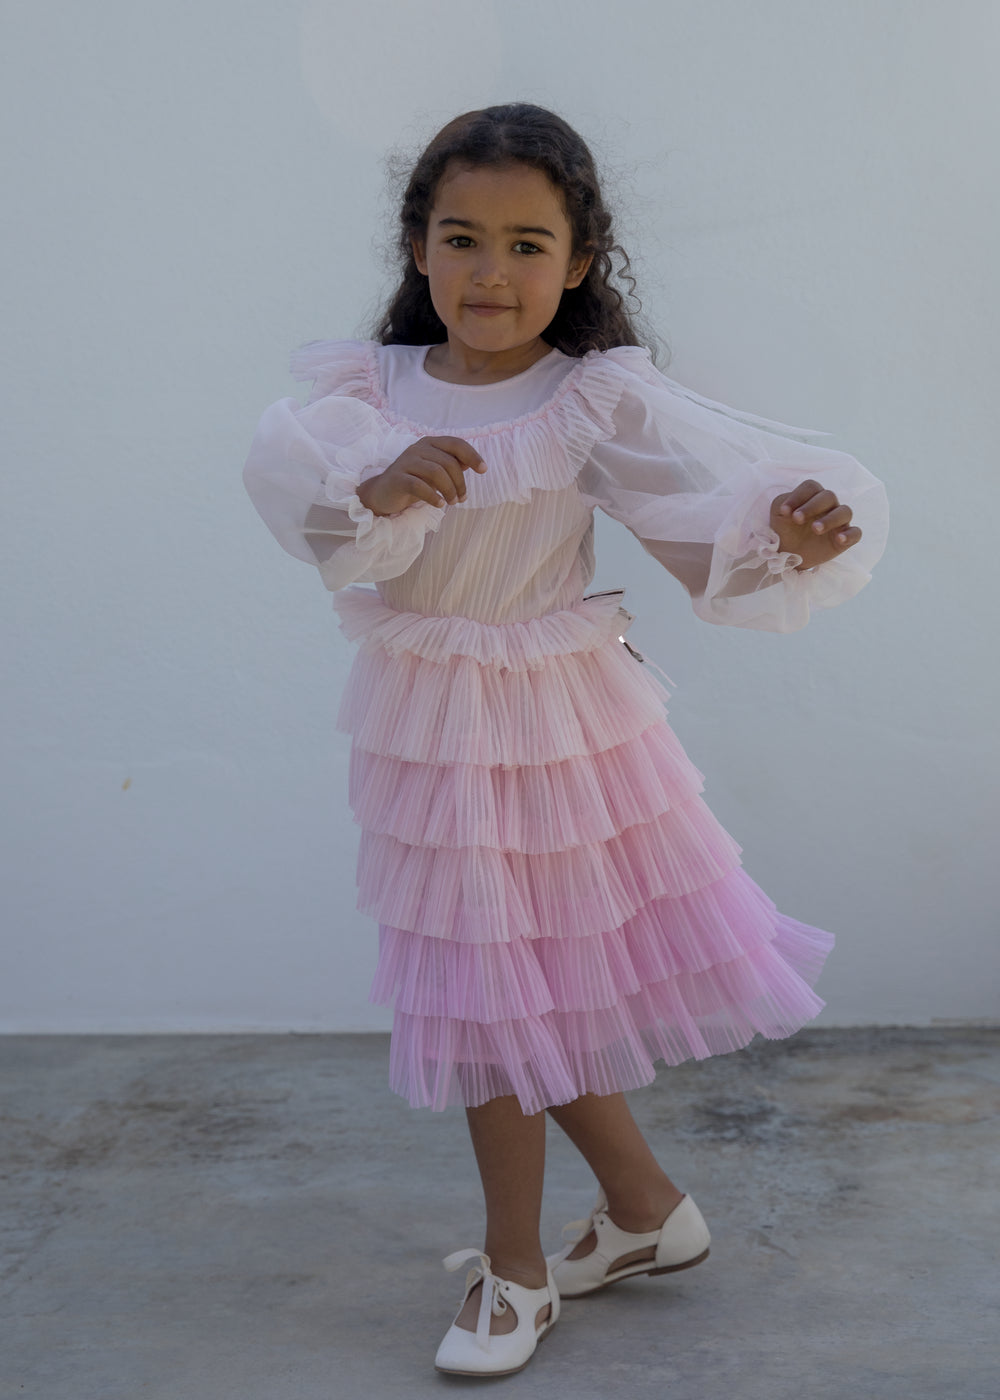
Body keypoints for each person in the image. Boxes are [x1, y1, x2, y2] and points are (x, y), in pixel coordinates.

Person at [243, 103, 888, 1378]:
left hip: (561, 719)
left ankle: (518, 1268)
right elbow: (315, 521)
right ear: (417, 248)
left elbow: (697, 531)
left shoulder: (591, 396)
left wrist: (788, 540)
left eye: (527, 244)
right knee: (512, 987)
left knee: (502, 994)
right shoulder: (360, 392)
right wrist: (371, 491)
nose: (492, 271)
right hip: (431, 719)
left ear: (580, 261)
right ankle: (647, 1212)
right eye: (462, 238)